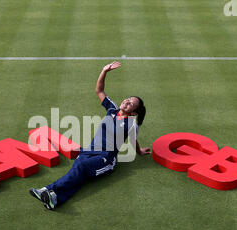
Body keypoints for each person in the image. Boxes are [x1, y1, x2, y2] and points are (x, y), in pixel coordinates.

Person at [29, 61, 150, 210]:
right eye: (128, 99)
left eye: (131, 103)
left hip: (106, 159)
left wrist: (139, 151)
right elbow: (99, 91)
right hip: (90, 150)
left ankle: (47, 190)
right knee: (79, 174)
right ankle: (54, 199)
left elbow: (133, 140)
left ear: (133, 113)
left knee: (80, 166)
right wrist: (104, 71)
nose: (127, 101)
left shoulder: (131, 125)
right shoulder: (112, 109)